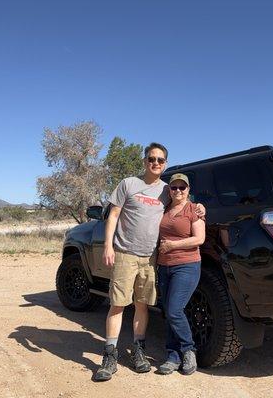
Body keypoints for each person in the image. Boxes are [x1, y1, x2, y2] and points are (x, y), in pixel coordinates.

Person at [94, 143, 204, 382]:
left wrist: (200, 207)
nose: (156, 163)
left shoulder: (167, 189)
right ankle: (109, 356)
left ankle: (139, 352)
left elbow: (183, 201)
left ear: (165, 164)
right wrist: (108, 246)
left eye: (161, 160)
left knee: (142, 305)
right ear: (145, 161)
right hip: (124, 253)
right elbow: (113, 215)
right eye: (152, 159)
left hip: (151, 258)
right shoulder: (128, 184)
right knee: (118, 304)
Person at [156, 173, 205, 375]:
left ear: (188, 190)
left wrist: (172, 245)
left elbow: (199, 238)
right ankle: (173, 356)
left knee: (175, 310)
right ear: (169, 190)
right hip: (164, 266)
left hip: (187, 265)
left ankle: (188, 349)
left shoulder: (194, 210)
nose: (178, 191)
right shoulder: (165, 208)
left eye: (182, 188)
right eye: (174, 187)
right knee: (168, 311)